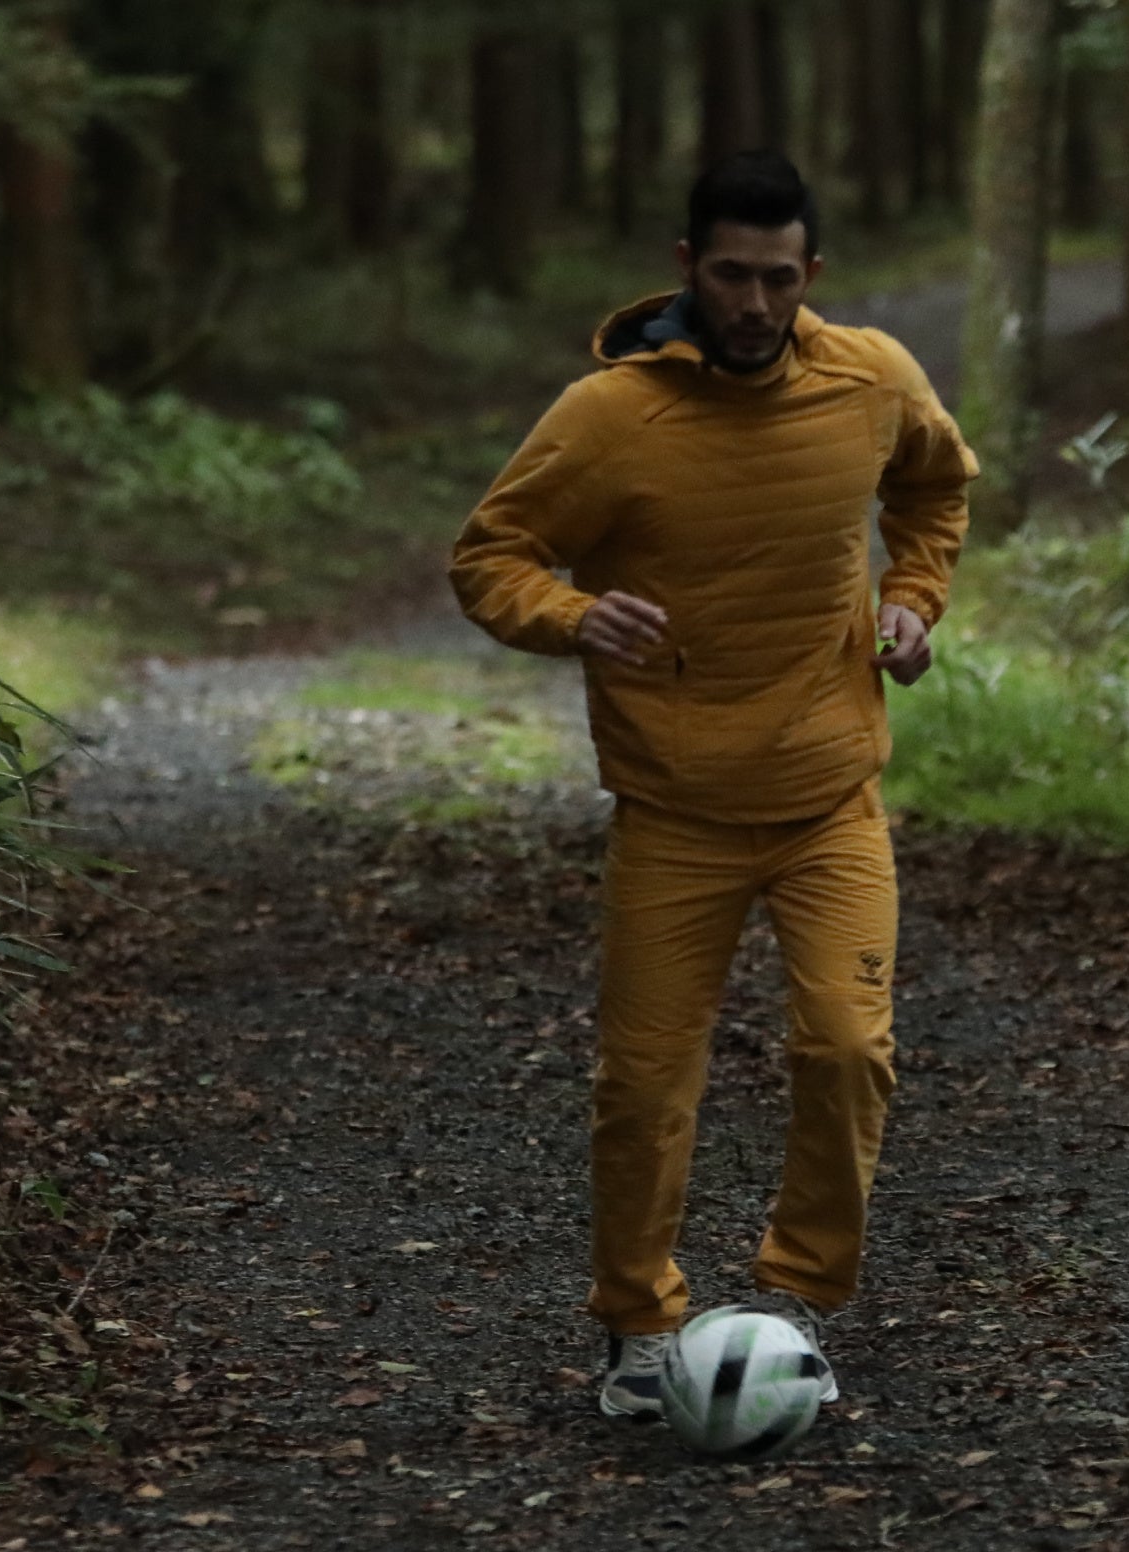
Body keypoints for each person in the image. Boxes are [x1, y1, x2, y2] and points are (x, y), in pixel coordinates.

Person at [448, 151, 976, 1420]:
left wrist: (912, 598)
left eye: (779, 279)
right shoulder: (610, 417)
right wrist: (575, 616)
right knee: (645, 1085)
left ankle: (794, 1297)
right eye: (732, 275)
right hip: (675, 811)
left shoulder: (871, 377)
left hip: (829, 796)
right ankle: (639, 1323)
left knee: (847, 1048)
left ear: (812, 273)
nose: (754, 303)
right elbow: (490, 555)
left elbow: (935, 484)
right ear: (687, 267)